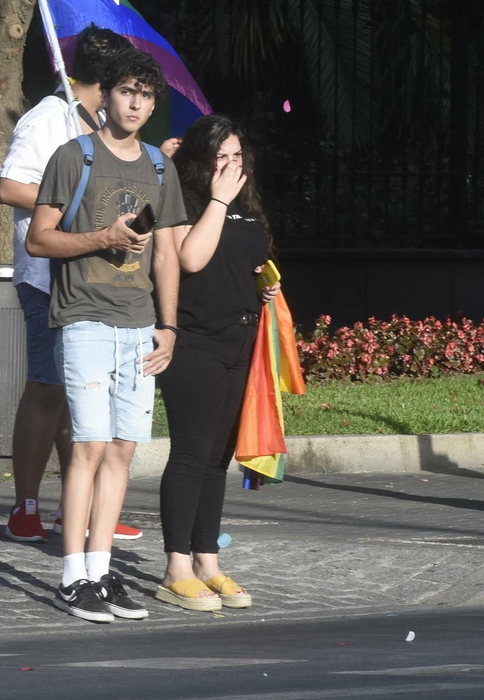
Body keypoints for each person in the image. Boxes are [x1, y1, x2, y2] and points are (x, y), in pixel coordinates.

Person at [27, 48, 187, 623]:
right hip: (84, 319)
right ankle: (72, 576)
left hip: (140, 325)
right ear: (105, 96)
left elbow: (167, 253)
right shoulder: (75, 157)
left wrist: (168, 327)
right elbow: (38, 240)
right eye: (126, 91)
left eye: (146, 93)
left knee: (123, 449)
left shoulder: (160, 168)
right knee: (88, 447)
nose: (137, 102)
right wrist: (103, 239)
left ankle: (100, 569)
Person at [0, 25, 136, 543]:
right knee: (49, 389)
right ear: (106, 78)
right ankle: (25, 506)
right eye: (126, 85)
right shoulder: (47, 118)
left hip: (98, 277)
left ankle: (84, 507)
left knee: (90, 395)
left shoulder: (104, 124)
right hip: (48, 278)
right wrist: (71, 205)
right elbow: (9, 185)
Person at [158, 115, 279, 612]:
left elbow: (246, 257)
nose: (230, 166)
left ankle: (207, 560)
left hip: (242, 339)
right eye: (219, 158)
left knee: (217, 459)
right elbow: (190, 259)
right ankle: (175, 567)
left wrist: (266, 284)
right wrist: (219, 200)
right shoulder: (183, 199)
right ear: (199, 162)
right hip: (196, 340)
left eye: (236, 157)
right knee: (190, 453)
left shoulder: (247, 204)